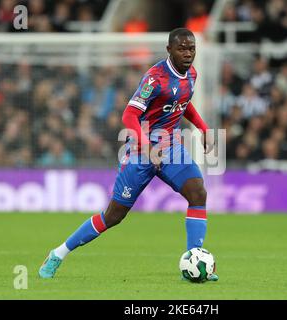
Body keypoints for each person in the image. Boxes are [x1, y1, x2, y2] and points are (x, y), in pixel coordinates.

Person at [39, 28, 219, 282]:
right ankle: (58, 253)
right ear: (169, 50)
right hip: (140, 151)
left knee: (198, 192)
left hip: (170, 147)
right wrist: (146, 147)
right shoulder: (155, 78)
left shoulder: (191, 74)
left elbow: (183, 103)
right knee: (113, 215)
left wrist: (203, 128)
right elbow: (129, 115)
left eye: (191, 48)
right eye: (182, 48)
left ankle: (195, 261)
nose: (188, 53)